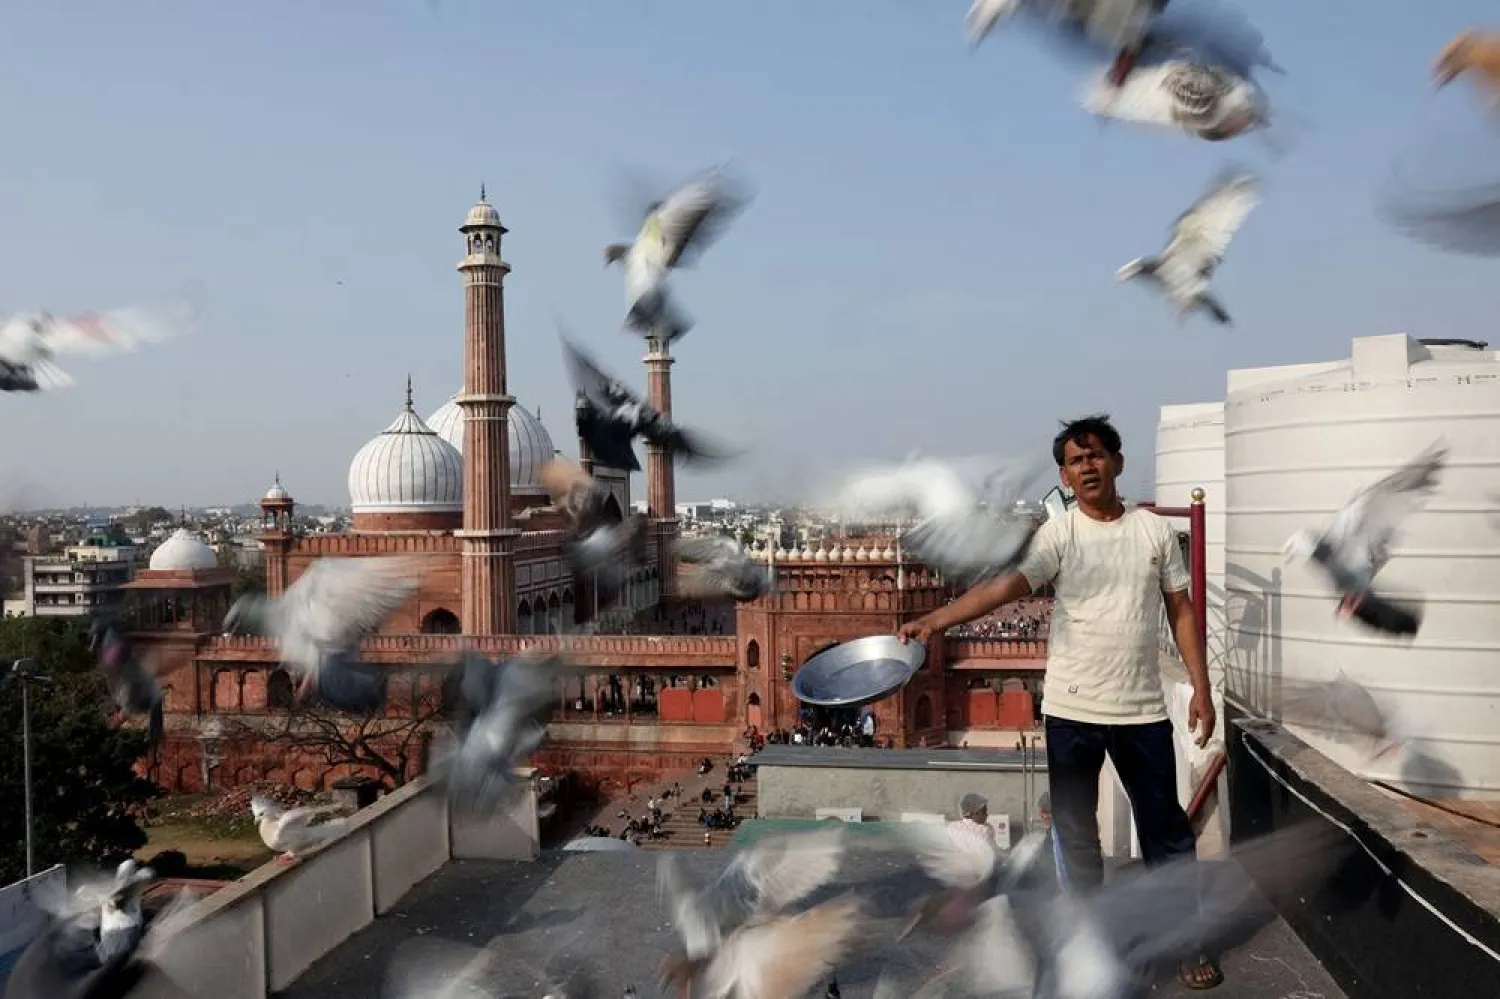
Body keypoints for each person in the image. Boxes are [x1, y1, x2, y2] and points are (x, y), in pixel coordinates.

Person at [897, 413, 1222, 991]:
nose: (1087, 466)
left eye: (1095, 455)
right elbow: (1004, 587)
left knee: (1165, 832)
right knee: (1076, 838)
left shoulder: (1150, 533)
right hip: (1072, 711)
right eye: (1076, 461)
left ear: (1117, 462)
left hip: (1140, 710)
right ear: (1065, 477)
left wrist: (1200, 685)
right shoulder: (1060, 535)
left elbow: (1182, 609)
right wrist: (936, 620)